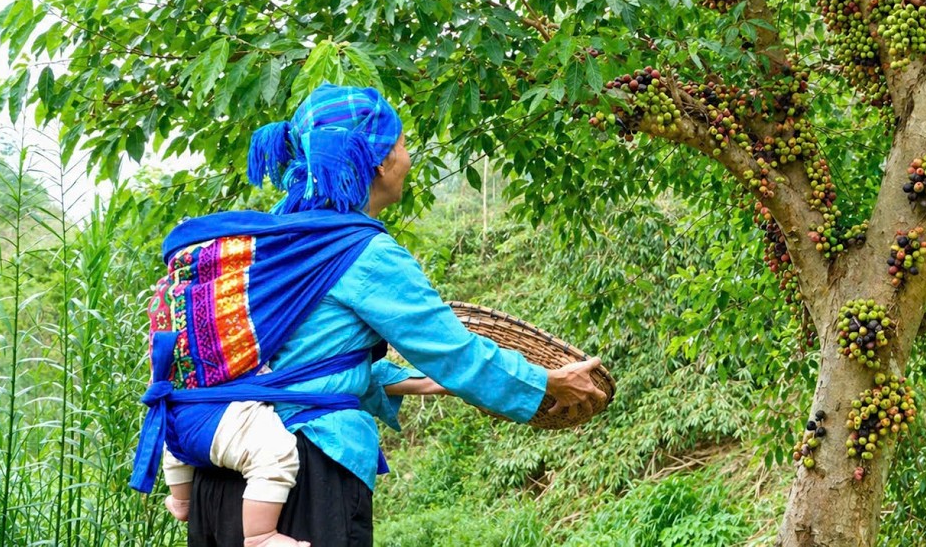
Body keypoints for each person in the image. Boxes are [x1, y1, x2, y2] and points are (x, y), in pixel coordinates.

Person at [133, 84, 606, 547]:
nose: (408, 158)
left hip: (220, 480)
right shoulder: (363, 252)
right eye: (402, 144)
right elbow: (454, 351)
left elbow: (299, 358)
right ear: (379, 161)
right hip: (304, 479)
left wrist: (408, 381)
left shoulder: (274, 245)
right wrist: (545, 383)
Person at [158, 361, 446, 547]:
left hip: (205, 463)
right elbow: (323, 358)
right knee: (274, 458)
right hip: (306, 471)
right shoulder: (298, 279)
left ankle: (181, 500)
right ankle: (262, 537)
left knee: (174, 445)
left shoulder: (203, 301)